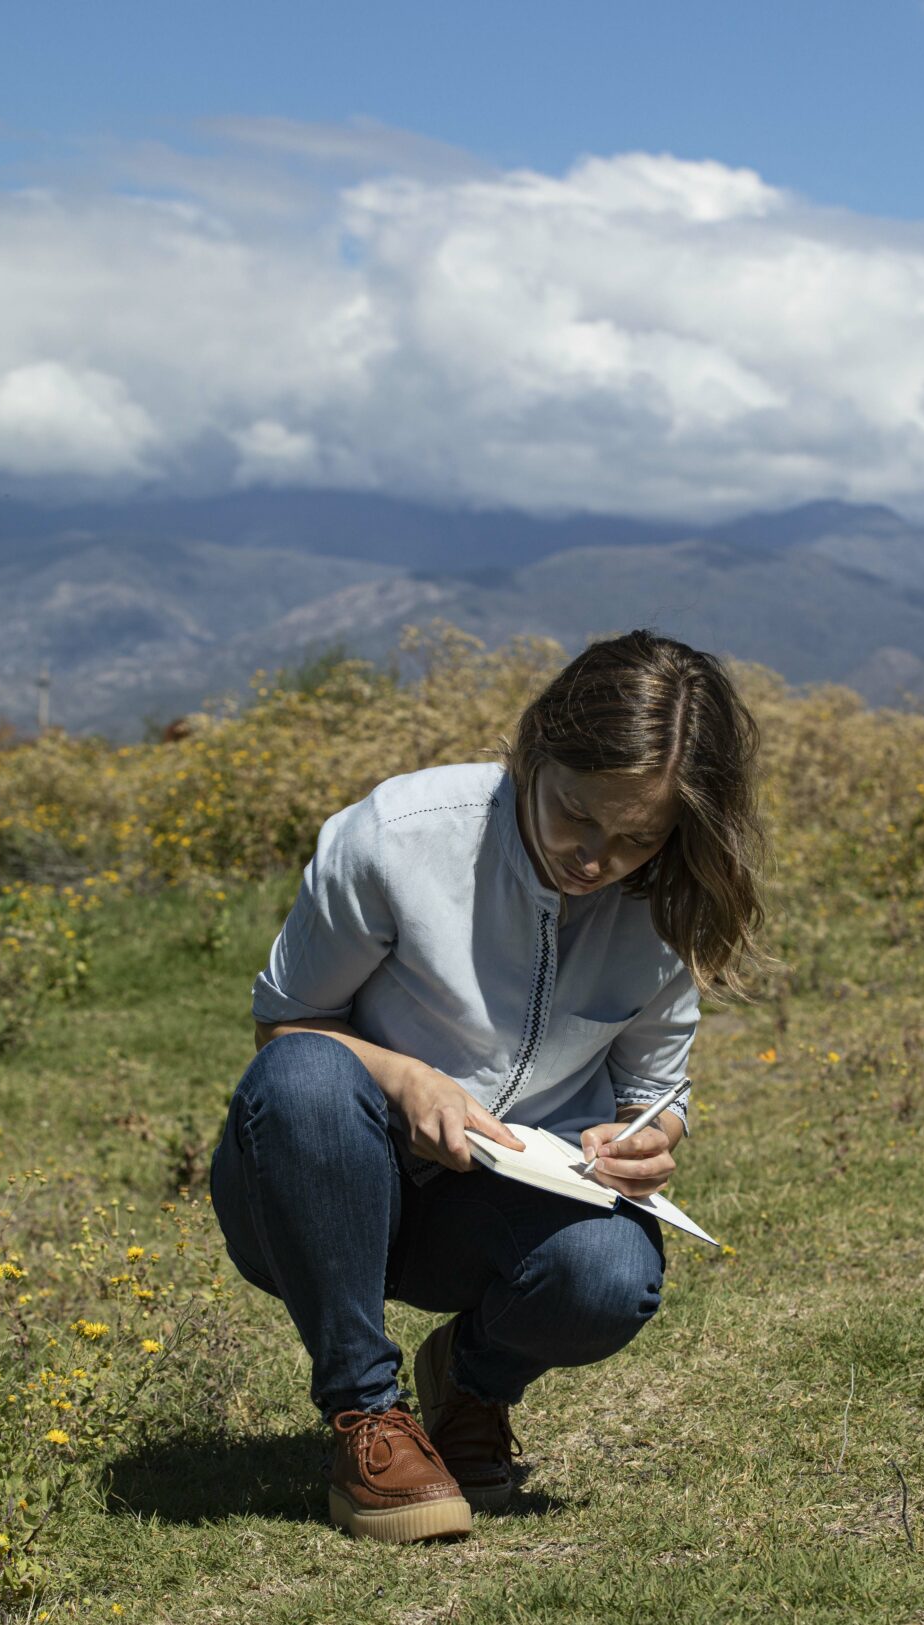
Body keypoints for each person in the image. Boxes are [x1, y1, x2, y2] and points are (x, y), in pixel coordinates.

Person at [209, 630, 768, 1542]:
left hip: (493, 1212)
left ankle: (472, 1384)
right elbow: (284, 1026)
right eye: (575, 815)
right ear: (532, 751)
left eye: (637, 837)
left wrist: (649, 1138)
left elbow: (657, 1091)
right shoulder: (395, 838)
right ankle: (368, 1419)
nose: (594, 857)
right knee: (309, 1076)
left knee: (611, 1276)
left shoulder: (668, 899)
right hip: (317, 1190)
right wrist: (403, 1078)